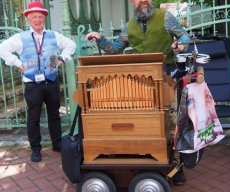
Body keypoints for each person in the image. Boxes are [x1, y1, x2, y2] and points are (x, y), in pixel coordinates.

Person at [85, 0, 191, 185]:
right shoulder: (129, 25)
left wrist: (180, 45)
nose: (142, 0)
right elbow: (116, 49)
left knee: (171, 121)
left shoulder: (165, 16)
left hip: (166, 77)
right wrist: (99, 38)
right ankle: (149, 162)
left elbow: (185, 37)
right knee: (146, 122)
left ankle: (176, 167)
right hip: (141, 81)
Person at [0, 1, 76, 162]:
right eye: (34, 17)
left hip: (51, 81)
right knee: (33, 118)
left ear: (44, 18)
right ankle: (35, 149)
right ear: (28, 19)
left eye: (40, 16)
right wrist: (18, 63)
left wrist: (61, 58)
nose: (38, 20)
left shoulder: (53, 35)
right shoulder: (21, 38)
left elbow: (71, 45)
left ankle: (57, 144)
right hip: (32, 84)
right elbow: (2, 48)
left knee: (54, 115)